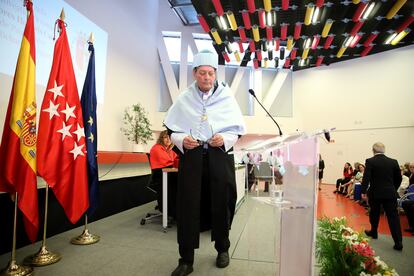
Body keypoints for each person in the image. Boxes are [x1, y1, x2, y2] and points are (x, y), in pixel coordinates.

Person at [164, 49, 246, 276]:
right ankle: (186, 259)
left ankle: (222, 249)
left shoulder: (227, 98)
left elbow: (236, 131)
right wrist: (182, 139)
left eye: (210, 73)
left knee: (222, 201)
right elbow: (171, 129)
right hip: (192, 159)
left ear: (215, 74)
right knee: (188, 205)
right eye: (202, 73)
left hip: (219, 157)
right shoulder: (184, 98)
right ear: (194, 74)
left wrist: (225, 138)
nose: (207, 78)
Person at [361, 142, 403, 251]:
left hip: (375, 193)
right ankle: (398, 242)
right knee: (393, 217)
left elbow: (366, 177)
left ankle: (374, 232)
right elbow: (399, 178)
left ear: (373, 150)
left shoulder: (370, 161)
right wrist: (393, 188)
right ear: (384, 150)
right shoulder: (393, 162)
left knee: (374, 213)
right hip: (390, 193)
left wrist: (363, 191)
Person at [149, 130, 178, 217]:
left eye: (169, 137)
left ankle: (174, 210)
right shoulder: (156, 148)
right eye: (165, 137)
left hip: (167, 173)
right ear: (161, 139)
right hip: (159, 176)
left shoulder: (170, 149)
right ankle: (171, 212)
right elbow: (169, 162)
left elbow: (176, 160)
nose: (168, 139)